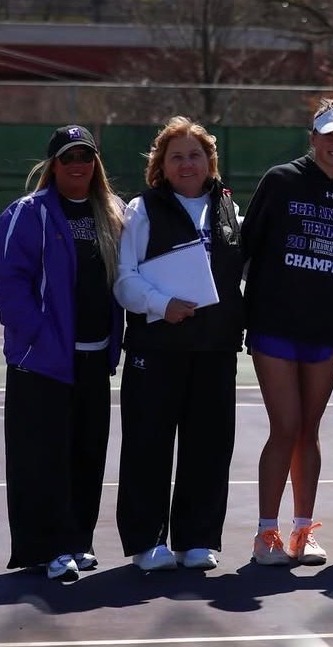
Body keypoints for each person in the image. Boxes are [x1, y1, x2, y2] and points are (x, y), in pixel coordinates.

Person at [242, 98, 333, 566]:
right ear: (313, 138)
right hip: (274, 323)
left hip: (326, 327)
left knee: (310, 430)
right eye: (331, 135)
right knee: (286, 425)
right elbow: (246, 247)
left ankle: (302, 531)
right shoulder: (280, 181)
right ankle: (265, 535)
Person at [114, 116, 245, 571]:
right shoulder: (142, 209)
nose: (187, 164)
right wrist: (160, 303)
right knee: (148, 446)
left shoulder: (229, 208)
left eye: (195, 155)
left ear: (209, 161)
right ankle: (147, 542)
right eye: (176, 157)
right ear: (161, 166)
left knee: (209, 446)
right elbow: (124, 279)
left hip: (215, 349)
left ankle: (198, 538)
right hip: (157, 348)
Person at [0, 125, 124, 581]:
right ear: (53, 164)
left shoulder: (112, 213)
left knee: (87, 455)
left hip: (94, 357)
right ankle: (47, 547)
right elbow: (8, 280)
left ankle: (78, 542)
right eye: (69, 157)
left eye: (86, 157)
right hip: (42, 361)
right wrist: (34, 336)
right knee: (43, 458)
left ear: (96, 163)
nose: (78, 165)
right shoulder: (27, 213)